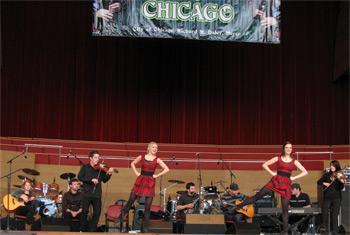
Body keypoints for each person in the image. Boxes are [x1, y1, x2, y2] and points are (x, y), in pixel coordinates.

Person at [232, 141, 308, 234]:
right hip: (276, 181)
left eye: (290, 148)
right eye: (287, 147)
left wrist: (293, 177)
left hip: (286, 184)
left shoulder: (294, 161)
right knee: (258, 196)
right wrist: (272, 173)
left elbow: (305, 172)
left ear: (291, 150)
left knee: (285, 209)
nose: (289, 149)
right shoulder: (278, 158)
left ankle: (285, 232)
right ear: (284, 149)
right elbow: (264, 165)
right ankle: (237, 206)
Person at [117, 142, 169, 233]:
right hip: (141, 180)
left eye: (156, 147)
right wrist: (136, 173)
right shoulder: (141, 157)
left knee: (147, 206)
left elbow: (166, 169)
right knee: (130, 201)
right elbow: (132, 163)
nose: (155, 149)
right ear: (148, 148)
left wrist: (157, 175)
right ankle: (119, 217)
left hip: (150, 182)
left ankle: (145, 227)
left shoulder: (157, 159)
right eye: (153, 147)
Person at [78, 150, 115, 232]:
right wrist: (91, 180)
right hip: (87, 193)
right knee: (84, 211)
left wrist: (109, 174)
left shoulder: (101, 168)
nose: (97, 159)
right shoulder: (85, 167)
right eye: (95, 157)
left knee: (97, 213)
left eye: (98, 157)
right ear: (90, 158)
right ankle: (82, 229)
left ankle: (92, 230)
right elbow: (80, 177)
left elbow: (104, 180)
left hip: (97, 194)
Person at [317, 160, 345, 234]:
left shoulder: (339, 174)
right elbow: (319, 182)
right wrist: (324, 183)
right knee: (324, 213)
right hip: (327, 197)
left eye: (333, 165)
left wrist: (341, 182)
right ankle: (324, 229)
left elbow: (341, 188)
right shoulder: (327, 175)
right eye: (331, 165)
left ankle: (335, 230)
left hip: (336, 197)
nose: (332, 167)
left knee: (335, 214)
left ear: (336, 166)